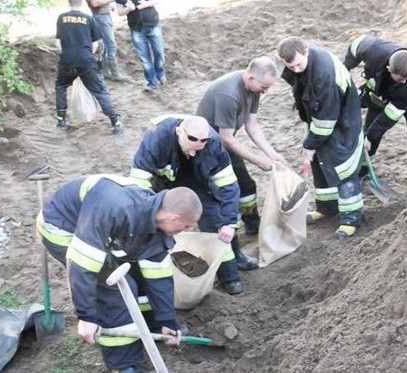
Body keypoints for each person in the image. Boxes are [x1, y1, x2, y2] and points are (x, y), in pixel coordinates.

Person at [36, 174, 201, 373]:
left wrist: (167, 320)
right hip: (63, 228)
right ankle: (123, 364)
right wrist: (86, 317)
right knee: (115, 288)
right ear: (173, 218)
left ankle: (151, 326)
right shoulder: (114, 208)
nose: (188, 230)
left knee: (139, 276)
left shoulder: (154, 216)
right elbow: (82, 263)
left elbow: (158, 274)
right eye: (186, 226)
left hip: (104, 231)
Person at [129, 115, 247, 294]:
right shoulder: (156, 139)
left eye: (198, 149)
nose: (193, 154)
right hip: (164, 185)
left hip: (198, 181)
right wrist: (149, 213)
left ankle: (230, 277)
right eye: (190, 148)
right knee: (160, 228)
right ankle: (168, 279)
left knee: (215, 222)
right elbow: (139, 183)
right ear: (179, 132)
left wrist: (229, 223)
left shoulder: (213, 144)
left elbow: (228, 185)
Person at [277, 36, 364, 239]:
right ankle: (327, 208)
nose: (296, 70)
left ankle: (352, 218)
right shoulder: (301, 62)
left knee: (343, 168)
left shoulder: (324, 74)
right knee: (319, 162)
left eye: (298, 64)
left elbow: (327, 119)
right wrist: (312, 145)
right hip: (321, 118)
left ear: (306, 50)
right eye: (291, 66)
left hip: (343, 123)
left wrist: (309, 145)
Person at [195, 56, 285, 246]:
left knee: (247, 186)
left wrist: (271, 153)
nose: (266, 91)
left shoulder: (254, 88)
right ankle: (230, 240)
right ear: (251, 78)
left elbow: (251, 124)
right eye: (264, 87)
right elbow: (226, 138)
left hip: (225, 143)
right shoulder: (229, 95)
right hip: (207, 149)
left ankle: (252, 224)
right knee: (228, 193)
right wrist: (257, 160)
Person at [344, 35, 407, 184]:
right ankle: (361, 172)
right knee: (369, 132)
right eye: (400, 79)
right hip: (380, 93)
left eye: (406, 78)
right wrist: (346, 67)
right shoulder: (373, 50)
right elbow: (356, 44)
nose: (403, 82)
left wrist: (370, 136)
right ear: (389, 69)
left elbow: (391, 116)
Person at [55, 0, 124, 135]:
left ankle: (61, 121)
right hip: (86, 61)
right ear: (81, 3)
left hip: (67, 60)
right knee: (100, 91)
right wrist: (86, 56)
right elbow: (96, 44)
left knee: (61, 87)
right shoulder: (88, 18)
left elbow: (58, 43)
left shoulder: (61, 18)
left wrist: (67, 54)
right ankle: (115, 122)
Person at [115, 0, 165, 92]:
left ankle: (160, 74)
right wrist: (128, 8)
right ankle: (152, 83)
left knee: (159, 52)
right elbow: (119, 12)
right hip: (136, 29)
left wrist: (145, 4)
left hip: (153, 24)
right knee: (145, 59)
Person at [86, 0, 129, 81]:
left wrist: (109, 5)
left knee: (107, 45)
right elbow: (94, 3)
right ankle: (115, 73)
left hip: (103, 15)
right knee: (110, 45)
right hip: (101, 16)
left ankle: (107, 72)